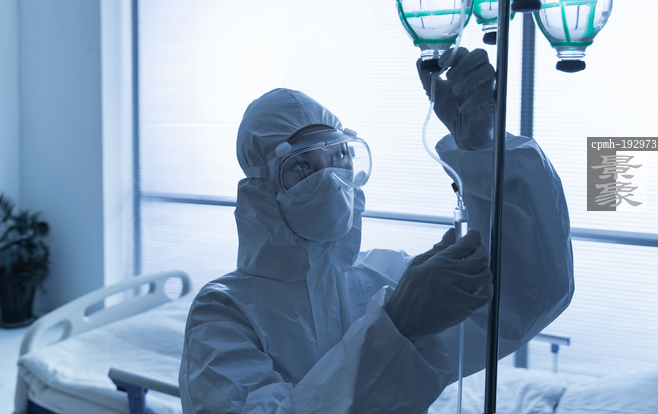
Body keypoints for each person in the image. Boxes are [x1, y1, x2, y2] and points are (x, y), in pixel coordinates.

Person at [179, 48, 574, 413]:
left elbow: (526, 296)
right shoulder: (224, 313)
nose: (331, 179)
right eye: (302, 166)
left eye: (339, 155)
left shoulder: (386, 278)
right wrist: (395, 326)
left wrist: (482, 149)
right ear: (263, 190)